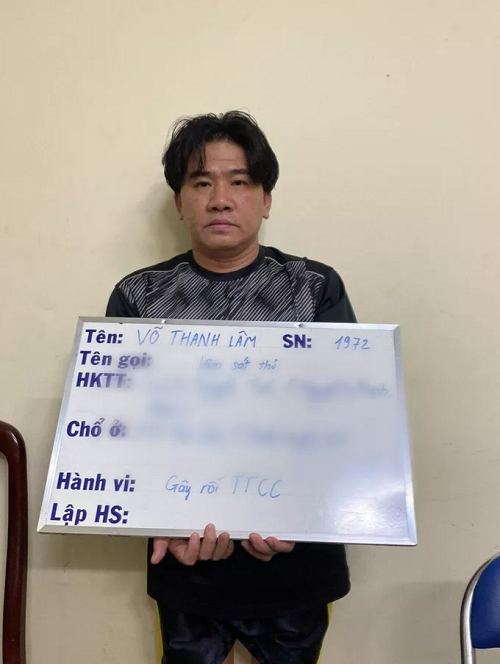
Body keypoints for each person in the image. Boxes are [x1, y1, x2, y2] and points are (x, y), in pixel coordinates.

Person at [106, 111, 356, 664]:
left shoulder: (314, 288)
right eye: (202, 183)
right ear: (180, 201)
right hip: (186, 562)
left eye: (239, 182)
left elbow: (344, 422)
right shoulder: (139, 296)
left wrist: (295, 515)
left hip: (296, 564)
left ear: (265, 199)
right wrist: (164, 517)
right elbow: (124, 432)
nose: (220, 199)